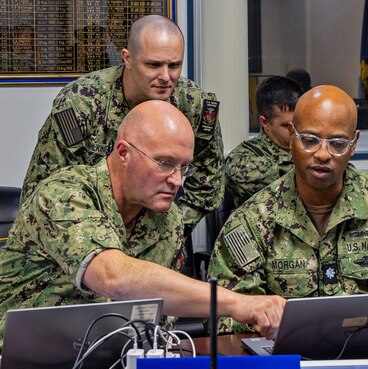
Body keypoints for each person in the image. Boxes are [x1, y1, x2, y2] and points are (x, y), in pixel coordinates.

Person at [0, 101, 285, 347]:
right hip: (17, 364)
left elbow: (157, 317)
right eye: (164, 163)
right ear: (123, 152)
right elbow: (114, 277)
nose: (176, 180)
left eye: (183, 167)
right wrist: (237, 303)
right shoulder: (65, 193)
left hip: (107, 362)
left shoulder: (167, 219)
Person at [208, 85, 368, 334]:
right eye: (310, 140)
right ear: (292, 137)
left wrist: (364, 320)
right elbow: (222, 317)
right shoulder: (252, 221)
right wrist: (267, 322)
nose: (323, 154)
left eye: (337, 143)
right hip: (285, 361)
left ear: (354, 143)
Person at [20, 15, 224, 236]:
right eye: (153, 65)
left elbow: (209, 177)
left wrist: (172, 230)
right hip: (84, 234)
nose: (166, 77)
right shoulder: (80, 103)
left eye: (174, 65)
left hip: (156, 235)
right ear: (127, 58)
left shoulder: (193, 105)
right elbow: (44, 190)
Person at [225, 76, 303, 207]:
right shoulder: (242, 159)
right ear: (265, 122)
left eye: (299, 123)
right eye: (286, 126)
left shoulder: (312, 147)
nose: (295, 131)